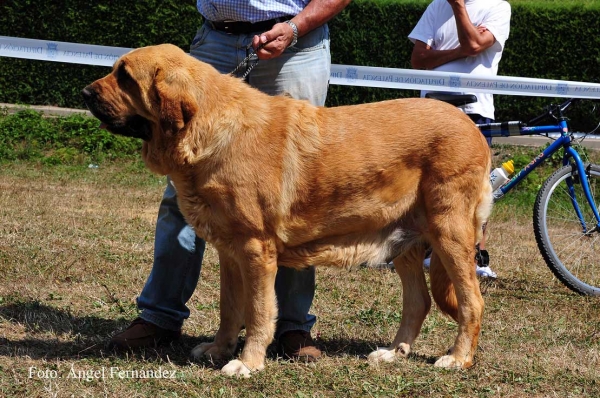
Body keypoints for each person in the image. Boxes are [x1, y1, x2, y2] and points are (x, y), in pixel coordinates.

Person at [109, 0, 351, 362]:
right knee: (183, 187)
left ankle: (292, 325)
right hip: (214, 41)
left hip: (295, 41)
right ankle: (160, 316)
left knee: (301, 194)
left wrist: (296, 27)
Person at [408, 0, 511, 278]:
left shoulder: (498, 6)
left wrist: (458, 10)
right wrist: (459, 51)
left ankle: (475, 256)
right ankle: (427, 251)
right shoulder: (435, 6)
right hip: (431, 106)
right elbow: (418, 59)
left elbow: (476, 45)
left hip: (473, 107)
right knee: (422, 183)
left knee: (473, 186)